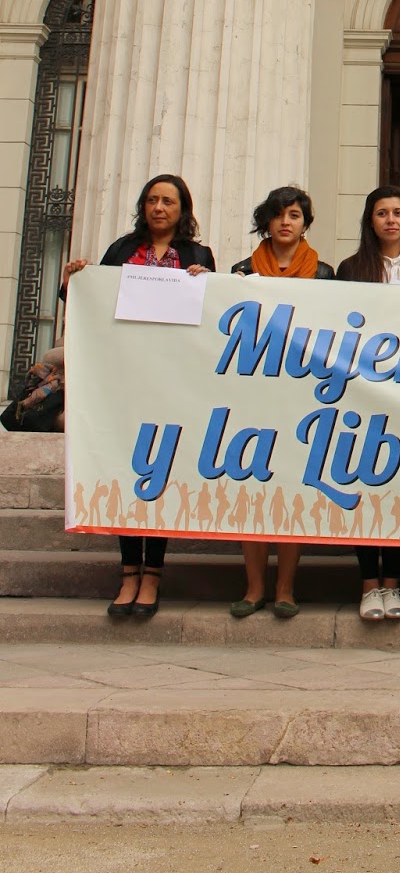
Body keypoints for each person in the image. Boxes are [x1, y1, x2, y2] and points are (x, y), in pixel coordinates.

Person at [61, 174, 214, 620]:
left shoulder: (197, 255)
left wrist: (206, 282)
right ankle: (128, 573)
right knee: (129, 474)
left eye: (168, 201)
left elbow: (216, 313)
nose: (159, 208)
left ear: (182, 209)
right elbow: (91, 304)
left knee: (157, 472)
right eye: (152, 200)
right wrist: (76, 280)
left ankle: (153, 576)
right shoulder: (122, 250)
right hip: (124, 380)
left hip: (169, 382)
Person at [231, 185, 333, 619]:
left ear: (305, 223)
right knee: (254, 493)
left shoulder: (325, 274)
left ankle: (286, 588)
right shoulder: (240, 270)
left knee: (290, 492)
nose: (286, 221)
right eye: (278, 214)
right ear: (266, 222)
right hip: (253, 395)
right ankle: (254, 589)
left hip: (300, 396)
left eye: (294, 214)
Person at [336, 186, 400, 621]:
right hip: (362, 392)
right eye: (381, 213)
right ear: (369, 221)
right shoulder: (350, 268)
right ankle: (367, 585)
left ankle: (393, 586)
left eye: (397, 213)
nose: (390, 220)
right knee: (363, 487)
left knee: (395, 488)